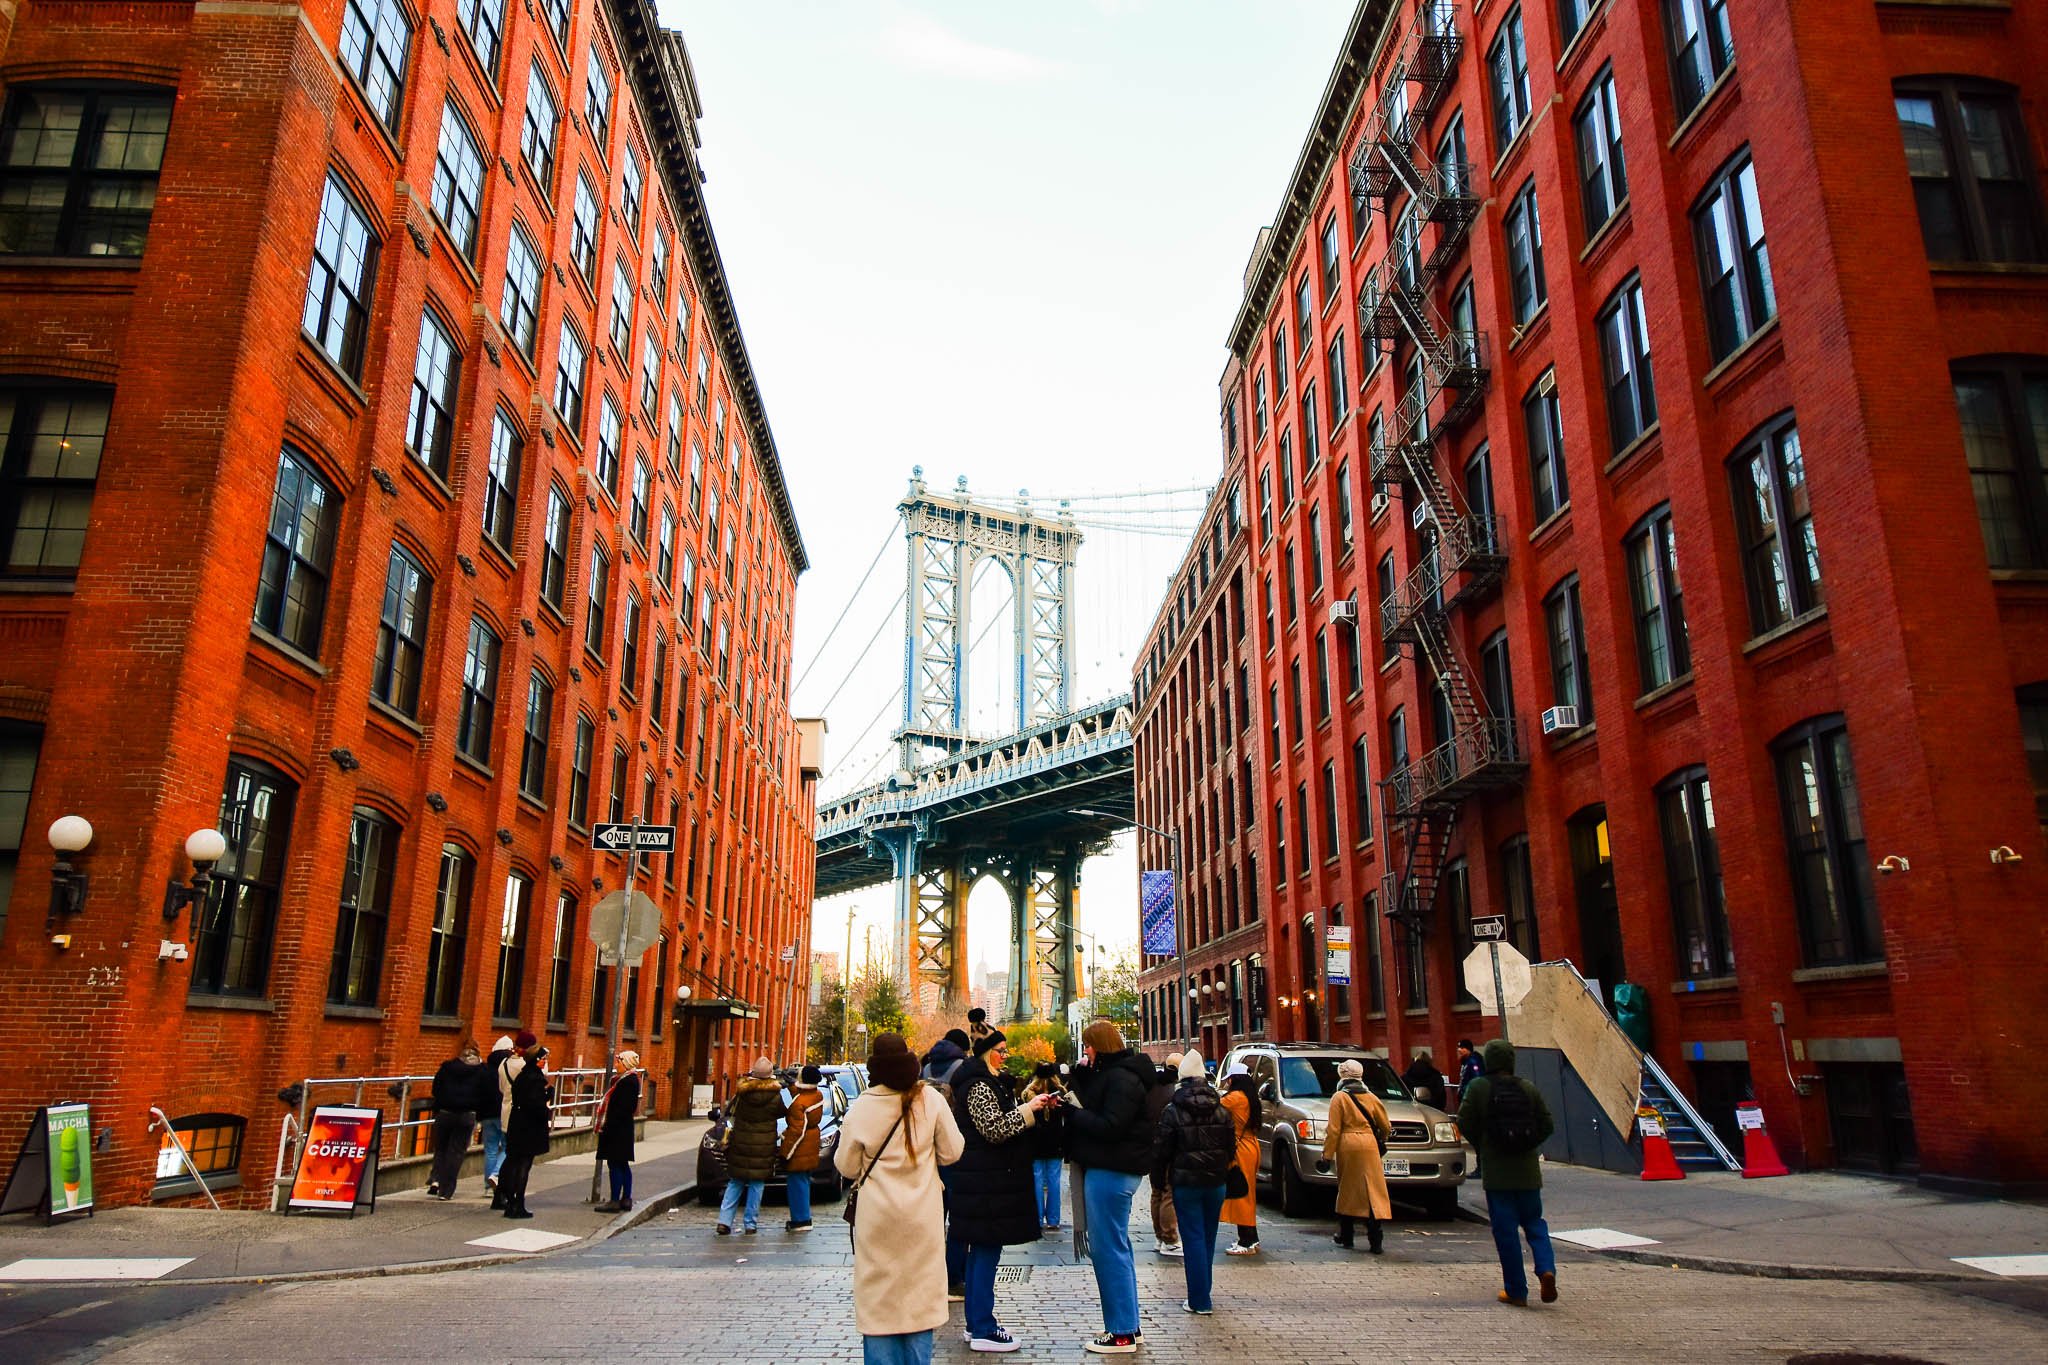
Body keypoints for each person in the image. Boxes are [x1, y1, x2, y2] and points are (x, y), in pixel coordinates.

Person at [835, 1032, 965, 1365]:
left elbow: (847, 1167)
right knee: (918, 1301)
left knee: (880, 1305)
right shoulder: (931, 1100)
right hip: (923, 1218)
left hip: (877, 1221)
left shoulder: (863, 1106)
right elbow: (953, 1152)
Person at [948, 1030, 1056, 1353]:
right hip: (983, 1183)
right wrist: (1029, 1110)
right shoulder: (979, 1086)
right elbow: (993, 1129)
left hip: (984, 1181)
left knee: (983, 1252)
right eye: (1000, 1051)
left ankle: (976, 1324)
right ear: (985, 1054)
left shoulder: (987, 1081)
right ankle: (982, 1327)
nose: (1005, 1056)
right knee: (984, 1252)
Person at [1063, 1019, 1155, 1355]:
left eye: (1088, 1045)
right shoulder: (1120, 1076)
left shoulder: (1121, 1079)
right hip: (1115, 1169)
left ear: (1099, 1045)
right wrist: (1081, 1080)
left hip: (1111, 1170)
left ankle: (1120, 1333)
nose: (1085, 1051)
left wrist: (1072, 1114)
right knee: (1119, 1247)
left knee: (1108, 1249)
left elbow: (1110, 1125)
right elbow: (1099, 1107)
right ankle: (1129, 1326)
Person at [1457, 1038, 1558, 1307]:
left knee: (1506, 1232)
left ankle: (1516, 1290)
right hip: (1527, 1172)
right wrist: (1528, 1144)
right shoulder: (1528, 1088)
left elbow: (1464, 1120)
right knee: (1535, 1223)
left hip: (1497, 1173)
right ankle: (1546, 1269)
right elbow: (1547, 1123)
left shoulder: (1479, 1087)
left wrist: (1483, 1145)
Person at [1152, 1050, 1234, 1315]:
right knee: (1208, 1238)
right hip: (1216, 1183)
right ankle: (1203, 1294)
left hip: (1186, 1183)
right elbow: (1231, 1147)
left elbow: (1162, 1150)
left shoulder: (1172, 1110)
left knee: (1193, 1239)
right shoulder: (1222, 1109)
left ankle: (1199, 1300)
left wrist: (1158, 1179)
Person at [1326, 1058, 1393, 1254]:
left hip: (1348, 1144)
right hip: (1370, 1144)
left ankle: (1346, 1235)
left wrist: (1327, 1154)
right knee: (1373, 1191)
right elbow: (1385, 1126)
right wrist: (1380, 1138)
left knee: (1348, 1190)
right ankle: (1376, 1238)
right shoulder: (1371, 1097)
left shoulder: (1339, 1098)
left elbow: (1334, 1129)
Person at [718, 1056, 788, 1235]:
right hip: (763, 1146)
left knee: (735, 1182)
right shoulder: (775, 1095)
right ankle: (750, 1223)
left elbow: (730, 1112)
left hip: (741, 1142)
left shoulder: (742, 1093)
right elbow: (782, 1112)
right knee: (757, 1184)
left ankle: (725, 1221)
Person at [497, 1033, 550, 1220]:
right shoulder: (534, 1078)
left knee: (512, 1162)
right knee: (522, 1166)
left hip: (515, 1121)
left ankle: (508, 1200)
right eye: (543, 1058)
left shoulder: (521, 1075)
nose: (545, 1062)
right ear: (536, 1059)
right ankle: (517, 1204)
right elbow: (535, 1105)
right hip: (528, 1127)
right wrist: (546, 1106)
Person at [426, 1038, 487, 1200]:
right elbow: (484, 1095)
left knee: (441, 1148)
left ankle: (436, 1179)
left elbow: (436, 1088)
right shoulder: (482, 1071)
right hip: (467, 1114)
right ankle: (446, 1190)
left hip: (445, 1112)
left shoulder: (447, 1067)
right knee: (456, 1151)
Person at [1219, 1064, 1262, 1256]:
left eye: (1230, 1078)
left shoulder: (1235, 1098)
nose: (1228, 1082)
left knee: (1240, 1194)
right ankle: (1251, 1236)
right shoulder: (1251, 1097)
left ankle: (1246, 1240)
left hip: (1240, 1148)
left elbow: (1215, 1106)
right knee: (1248, 1193)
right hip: (1251, 1145)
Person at [594, 1050, 642, 1213]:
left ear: (626, 1064)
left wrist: (609, 1125)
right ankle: (626, 1198)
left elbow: (624, 1108)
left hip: (617, 1129)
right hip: (622, 1128)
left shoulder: (627, 1082)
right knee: (622, 1163)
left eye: (619, 1063)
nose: (616, 1066)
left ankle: (615, 1200)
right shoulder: (625, 1080)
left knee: (615, 1163)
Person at [781, 1063, 826, 1232]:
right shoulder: (817, 1094)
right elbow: (803, 1095)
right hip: (811, 1143)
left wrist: (785, 1152)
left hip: (800, 1147)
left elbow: (796, 1131)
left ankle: (800, 1220)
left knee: (796, 1184)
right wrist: (792, 1086)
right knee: (804, 1181)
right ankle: (804, 1216)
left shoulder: (799, 1104)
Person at [1022, 1062, 1067, 1231]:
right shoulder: (1060, 1093)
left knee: (1037, 1180)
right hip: (1055, 1141)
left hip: (1035, 1142)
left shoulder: (1028, 1094)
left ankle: (1037, 1218)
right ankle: (1054, 1219)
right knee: (1054, 1181)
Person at [1145, 1053, 1182, 1259]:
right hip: (1167, 1146)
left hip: (1152, 1146)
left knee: (1157, 1190)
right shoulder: (1172, 1090)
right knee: (1168, 1191)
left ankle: (1160, 1236)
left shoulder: (1151, 1088)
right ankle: (1170, 1239)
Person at [481, 1034, 514, 1204]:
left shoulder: (485, 1068)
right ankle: (496, 1174)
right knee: (507, 1148)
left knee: (490, 1149)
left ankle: (488, 1187)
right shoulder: (509, 1065)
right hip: (503, 1112)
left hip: (486, 1113)